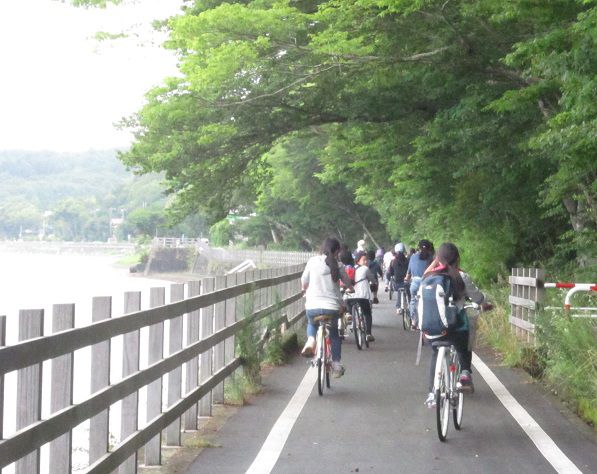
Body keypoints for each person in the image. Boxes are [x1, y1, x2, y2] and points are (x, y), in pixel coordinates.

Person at [422, 242, 491, 407]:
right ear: (457, 259)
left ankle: (432, 394)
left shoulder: (429, 277)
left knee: (435, 352)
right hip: (454, 327)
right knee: (465, 340)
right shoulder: (461, 276)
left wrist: (436, 262)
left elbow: (424, 277)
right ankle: (465, 373)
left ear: (438, 259)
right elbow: (478, 298)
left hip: (433, 328)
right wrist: (484, 303)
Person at [301, 237, 352, 377]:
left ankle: (311, 339)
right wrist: (351, 288)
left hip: (313, 306)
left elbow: (304, 280)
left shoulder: (312, 261)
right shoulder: (338, 265)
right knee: (334, 334)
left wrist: (304, 289)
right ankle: (336, 365)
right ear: (337, 251)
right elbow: (347, 282)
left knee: (312, 323)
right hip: (332, 307)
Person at [345, 251, 376, 341]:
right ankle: (368, 334)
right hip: (362, 296)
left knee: (349, 307)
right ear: (358, 261)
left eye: (366, 260)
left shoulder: (349, 269)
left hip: (349, 296)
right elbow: (372, 279)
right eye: (364, 260)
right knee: (367, 313)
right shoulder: (365, 269)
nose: (366, 262)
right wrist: (374, 283)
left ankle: (350, 316)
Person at [406, 239, 435, 325]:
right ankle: (428, 320)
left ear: (418, 247)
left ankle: (414, 322)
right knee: (429, 301)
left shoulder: (413, 257)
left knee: (413, 300)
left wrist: (407, 279)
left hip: (415, 282)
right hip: (427, 283)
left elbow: (409, 273)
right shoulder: (431, 258)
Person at [387, 243, 409, 314]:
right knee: (408, 293)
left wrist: (390, 278)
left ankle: (398, 307)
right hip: (406, 282)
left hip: (397, 284)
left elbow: (389, 273)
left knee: (400, 291)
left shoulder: (393, 261)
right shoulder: (408, 260)